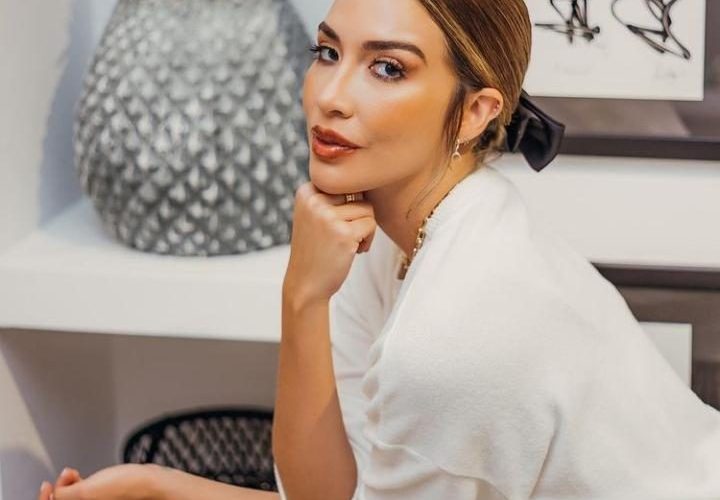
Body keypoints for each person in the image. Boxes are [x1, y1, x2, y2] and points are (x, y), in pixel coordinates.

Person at [39, 0, 720, 498]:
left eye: (388, 68)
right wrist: (158, 485)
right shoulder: (402, 230)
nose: (330, 98)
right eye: (327, 53)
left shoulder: (454, 331)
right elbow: (332, 493)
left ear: (477, 110)